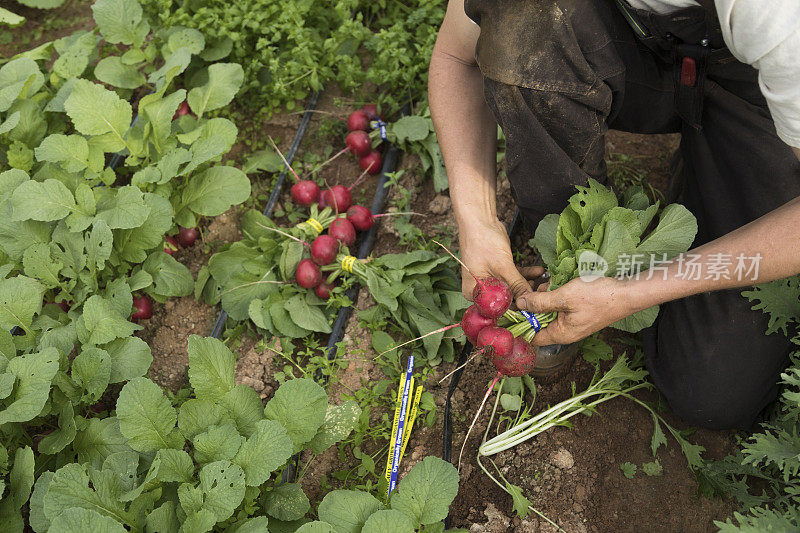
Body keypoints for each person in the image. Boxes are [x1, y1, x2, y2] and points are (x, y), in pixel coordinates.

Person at [428, 0, 800, 430]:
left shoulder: (777, 14)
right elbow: (456, 56)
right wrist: (476, 219)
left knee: (712, 390)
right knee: (526, 29)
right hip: (640, 54)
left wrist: (631, 292)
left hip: (754, 95)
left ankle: (710, 161)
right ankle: (568, 272)